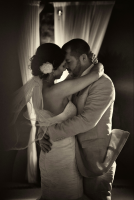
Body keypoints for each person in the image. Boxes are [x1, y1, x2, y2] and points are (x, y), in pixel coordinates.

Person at [10, 43, 104, 200]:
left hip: (49, 153)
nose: (65, 68)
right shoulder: (57, 91)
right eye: (62, 66)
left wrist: (42, 133)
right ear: (50, 68)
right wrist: (97, 62)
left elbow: (44, 119)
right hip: (63, 155)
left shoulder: (38, 88)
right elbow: (96, 74)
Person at [39, 39, 117, 200]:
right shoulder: (72, 80)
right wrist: (41, 133)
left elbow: (87, 120)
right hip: (71, 156)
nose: (66, 66)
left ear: (83, 58)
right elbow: (52, 109)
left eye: (68, 61)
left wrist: (50, 133)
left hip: (94, 156)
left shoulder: (103, 83)